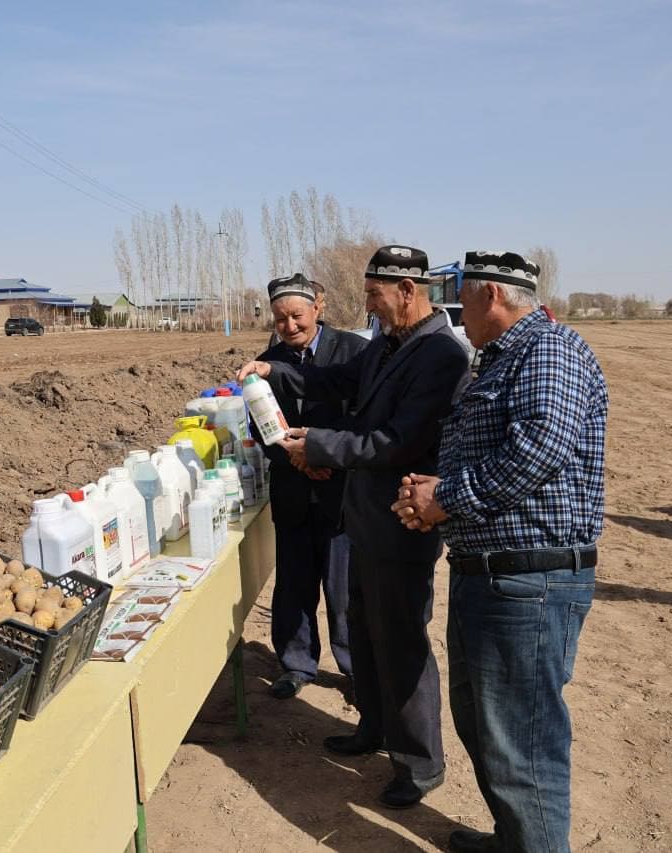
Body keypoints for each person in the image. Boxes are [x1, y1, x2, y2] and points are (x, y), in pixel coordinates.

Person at [238, 245, 470, 808]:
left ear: (406, 293)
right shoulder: (388, 345)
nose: (366, 304)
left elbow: (400, 442)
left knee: (399, 642)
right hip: (365, 519)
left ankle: (419, 764)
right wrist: (274, 371)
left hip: (400, 521)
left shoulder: (439, 354)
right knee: (365, 633)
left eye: (373, 294)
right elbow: (336, 380)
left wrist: (318, 443)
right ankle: (374, 728)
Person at [392, 250, 608, 852]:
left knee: (522, 742)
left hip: (527, 583)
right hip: (492, 577)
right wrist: (429, 492)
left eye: (462, 296)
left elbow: (538, 451)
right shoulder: (501, 359)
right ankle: (516, 840)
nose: (456, 309)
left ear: (489, 295)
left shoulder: (549, 352)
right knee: (488, 726)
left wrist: (446, 497)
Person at [253, 273, 367, 699]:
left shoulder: (353, 353)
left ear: (318, 307)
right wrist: (295, 459)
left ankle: (356, 669)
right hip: (294, 490)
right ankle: (296, 664)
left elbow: (366, 418)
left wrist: (323, 454)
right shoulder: (266, 362)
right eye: (280, 319)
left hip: (341, 492)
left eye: (297, 316)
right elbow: (261, 426)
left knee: (344, 590)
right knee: (295, 584)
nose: (290, 326)